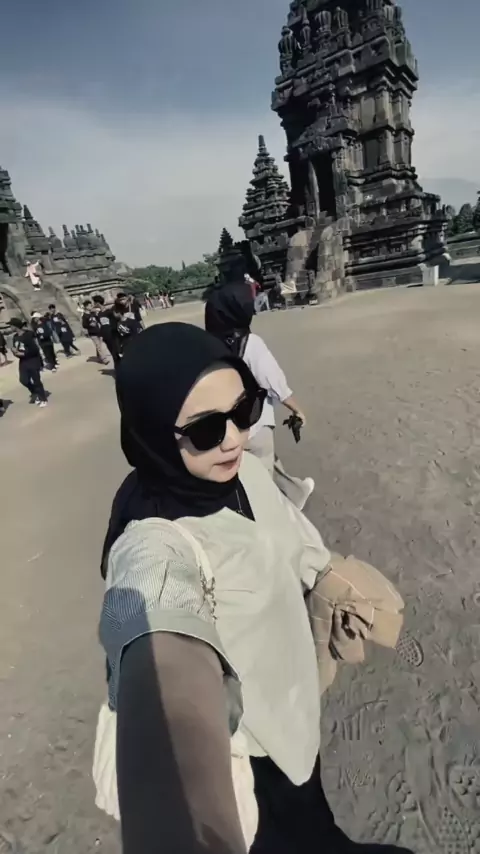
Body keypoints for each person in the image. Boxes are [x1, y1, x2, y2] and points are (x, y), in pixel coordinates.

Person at [95, 323, 412, 854]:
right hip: (250, 751)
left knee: (316, 824)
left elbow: (287, 535)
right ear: (152, 430)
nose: (233, 438)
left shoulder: (244, 474)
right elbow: (156, 634)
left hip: (297, 713)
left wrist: (327, 575)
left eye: (244, 410)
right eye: (204, 429)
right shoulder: (153, 538)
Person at [205, 282, 313, 509]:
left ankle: (296, 492)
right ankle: (272, 517)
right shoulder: (250, 343)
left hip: (224, 424)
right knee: (261, 480)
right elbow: (274, 382)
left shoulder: (208, 343)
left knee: (265, 462)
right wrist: (297, 409)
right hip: (254, 422)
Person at [10, 317, 48, 407]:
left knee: (36, 380)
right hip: (23, 362)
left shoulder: (28, 335)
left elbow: (34, 350)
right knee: (24, 380)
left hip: (33, 360)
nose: (10, 327)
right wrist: (14, 352)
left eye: (11, 325)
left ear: (15, 326)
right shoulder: (15, 337)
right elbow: (17, 350)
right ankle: (35, 392)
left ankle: (43, 398)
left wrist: (22, 354)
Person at [93, 295, 120, 365]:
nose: (94, 304)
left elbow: (115, 321)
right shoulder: (99, 314)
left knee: (116, 352)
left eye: (94, 302)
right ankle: (118, 366)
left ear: (97, 303)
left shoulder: (109, 312)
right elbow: (101, 325)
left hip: (112, 334)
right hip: (106, 336)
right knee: (112, 352)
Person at [82, 300, 109, 364]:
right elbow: (84, 325)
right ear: (86, 307)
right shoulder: (84, 316)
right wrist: (89, 325)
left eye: (91, 305)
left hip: (98, 331)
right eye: (89, 305)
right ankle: (104, 359)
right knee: (98, 346)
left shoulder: (93, 314)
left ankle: (99, 357)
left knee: (99, 346)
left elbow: (98, 319)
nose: (91, 306)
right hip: (92, 333)